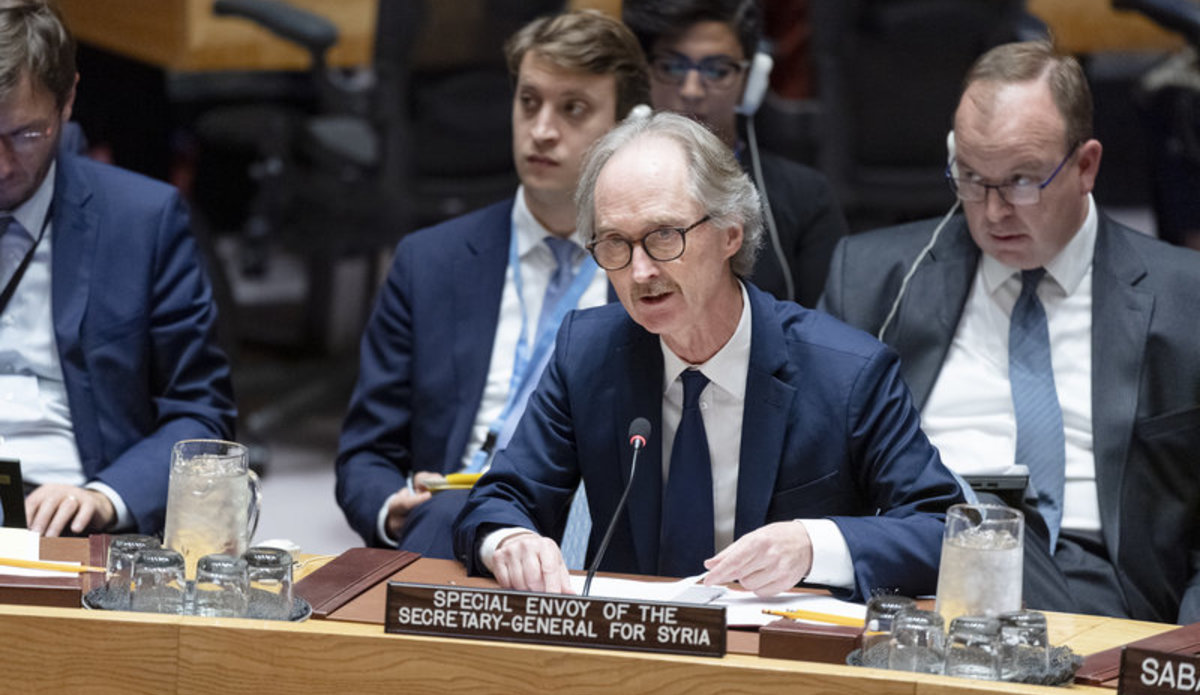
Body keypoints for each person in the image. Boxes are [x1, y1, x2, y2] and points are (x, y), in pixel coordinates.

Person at [453, 111, 964, 599]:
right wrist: (509, 542)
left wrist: (814, 545)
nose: (639, 272)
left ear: (730, 233)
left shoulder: (846, 373)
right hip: (630, 653)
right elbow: (500, 499)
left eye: (663, 237)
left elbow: (945, 531)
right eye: (614, 243)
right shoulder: (586, 354)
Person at [820, 41, 1200, 624]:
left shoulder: (1185, 298)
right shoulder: (873, 280)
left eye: (1022, 181)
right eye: (971, 179)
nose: (994, 212)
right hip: (914, 582)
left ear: (1086, 166)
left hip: (1100, 589)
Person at [335, 11, 650, 559]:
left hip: (586, 523)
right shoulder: (430, 262)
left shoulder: (651, 269)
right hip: (453, 513)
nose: (542, 129)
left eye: (572, 108)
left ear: (626, 127)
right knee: (450, 521)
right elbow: (367, 453)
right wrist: (391, 506)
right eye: (529, 102)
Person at [0, 1, 235, 536]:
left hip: (67, 506)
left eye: (25, 134)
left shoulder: (143, 221)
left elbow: (202, 415)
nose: (3, 166)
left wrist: (106, 497)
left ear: (69, 100)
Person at [622, 0, 847, 306]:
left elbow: (830, 333)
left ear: (750, 82)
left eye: (716, 70)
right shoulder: (612, 188)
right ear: (646, 73)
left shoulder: (804, 198)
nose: (692, 90)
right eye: (672, 67)